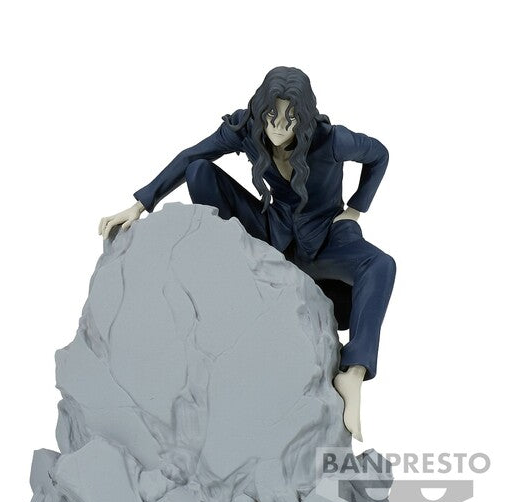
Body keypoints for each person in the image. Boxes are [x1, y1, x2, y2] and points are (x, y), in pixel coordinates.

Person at [98, 66, 395, 442]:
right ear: (261, 110)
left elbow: (379, 154)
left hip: (323, 242)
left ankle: (352, 374)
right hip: (271, 235)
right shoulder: (247, 128)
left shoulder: (333, 141)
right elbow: (191, 156)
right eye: (272, 114)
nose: (279, 126)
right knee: (200, 171)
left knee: (381, 264)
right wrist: (139, 204)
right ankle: (229, 270)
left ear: (304, 117)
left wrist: (356, 207)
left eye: (290, 117)